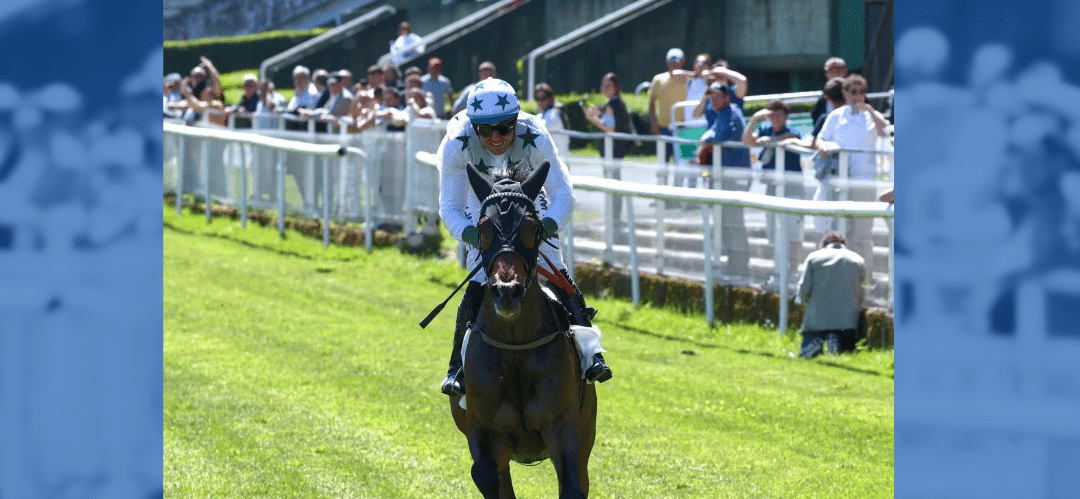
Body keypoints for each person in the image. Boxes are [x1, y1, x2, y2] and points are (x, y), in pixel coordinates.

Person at [437, 78, 612, 396]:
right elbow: (449, 206)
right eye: (485, 130)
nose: (495, 138)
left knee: (553, 267)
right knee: (478, 274)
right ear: (473, 127)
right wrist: (472, 235)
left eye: (504, 128)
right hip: (481, 199)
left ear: (516, 120)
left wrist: (547, 227)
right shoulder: (455, 143)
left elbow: (562, 193)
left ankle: (591, 354)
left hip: (530, 197)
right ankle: (456, 368)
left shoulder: (536, 134)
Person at [814, 74, 891, 273]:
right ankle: (842, 276)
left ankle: (865, 279)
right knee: (839, 231)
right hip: (839, 182)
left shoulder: (870, 116)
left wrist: (871, 110)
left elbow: (886, 131)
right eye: (853, 92)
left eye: (862, 92)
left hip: (864, 183)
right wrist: (823, 147)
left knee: (863, 235)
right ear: (844, 93)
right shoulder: (836, 116)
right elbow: (820, 138)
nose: (858, 96)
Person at [694, 81, 751, 277]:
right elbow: (712, 131)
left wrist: (706, 140)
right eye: (712, 97)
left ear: (727, 97)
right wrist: (707, 138)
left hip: (733, 179)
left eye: (718, 96)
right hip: (726, 179)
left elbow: (724, 134)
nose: (714, 100)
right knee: (726, 224)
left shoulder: (731, 112)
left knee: (734, 224)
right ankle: (734, 266)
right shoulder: (723, 113)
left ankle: (740, 268)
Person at [743, 99, 805, 277]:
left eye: (780, 115)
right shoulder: (764, 129)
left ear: (786, 116)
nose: (776, 119)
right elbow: (747, 141)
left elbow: (791, 138)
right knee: (774, 233)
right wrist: (755, 119)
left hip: (792, 190)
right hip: (772, 189)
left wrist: (769, 140)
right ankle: (779, 271)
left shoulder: (791, 131)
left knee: (794, 235)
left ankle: (792, 272)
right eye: (771, 115)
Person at [796, 231, 866, 358]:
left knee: (809, 342)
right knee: (846, 347)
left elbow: (803, 290)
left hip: (816, 319)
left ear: (824, 244)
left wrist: (806, 303)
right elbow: (861, 294)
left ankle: (814, 344)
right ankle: (835, 343)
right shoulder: (858, 260)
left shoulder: (813, 258)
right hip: (847, 322)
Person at [583, 73, 632, 223]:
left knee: (613, 182)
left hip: (613, 151)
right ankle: (614, 215)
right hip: (615, 150)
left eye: (608, 85)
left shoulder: (613, 104)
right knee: (614, 181)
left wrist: (593, 118)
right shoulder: (616, 103)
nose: (605, 88)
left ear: (616, 87)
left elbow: (609, 128)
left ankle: (614, 216)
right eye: (603, 85)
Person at [647, 48, 691, 165]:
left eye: (676, 60)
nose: (673, 64)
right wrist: (653, 123)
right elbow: (651, 103)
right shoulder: (658, 79)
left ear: (683, 61)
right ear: (666, 62)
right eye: (670, 61)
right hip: (664, 129)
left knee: (683, 164)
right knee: (663, 164)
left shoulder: (689, 79)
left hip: (684, 129)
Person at [533, 82, 569, 158]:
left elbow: (540, 129)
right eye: (537, 99)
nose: (539, 102)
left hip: (559, 162)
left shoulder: (555, 113)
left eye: (542, 98)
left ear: (550, 99)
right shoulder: (541, 115)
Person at [810, 57, 849, 125]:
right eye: (831, 71)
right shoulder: (822, 100)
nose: (835, 74)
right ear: (826, 74)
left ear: (845, 71)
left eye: (838, 70)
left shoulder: (857, 93)